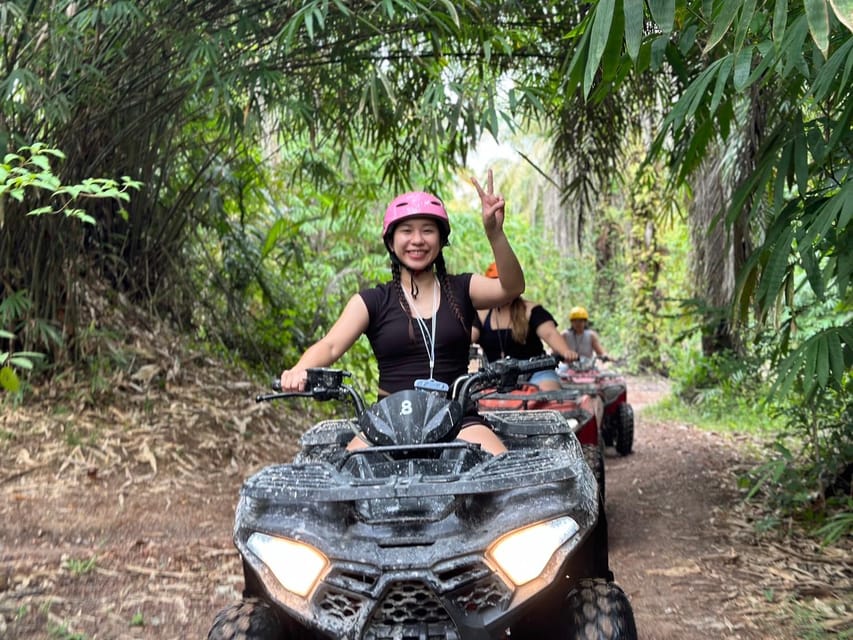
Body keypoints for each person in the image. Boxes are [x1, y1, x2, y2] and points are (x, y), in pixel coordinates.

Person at [279, 170, 525, 455]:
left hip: (458, 418)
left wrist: (495, 233)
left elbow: (512, 287)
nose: (417, 240)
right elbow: (330, 345)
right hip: (387, 423)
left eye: (427, 230)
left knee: (503, 475)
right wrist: (299, 370)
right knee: (343, 482)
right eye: (407, 231)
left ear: (441, 239)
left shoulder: (463, 288)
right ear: (391, 241)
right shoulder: (372, 301)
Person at [471, 262, 578, 392]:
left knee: (549, 391)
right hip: (496, 376)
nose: (502, 290)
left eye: (506, 285)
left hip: (535, 372)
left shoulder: (531, 310)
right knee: (473, 397)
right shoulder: (481, 313)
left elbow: (550, 333)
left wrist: (565, 351)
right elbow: (468, 335)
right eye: (497, 285)